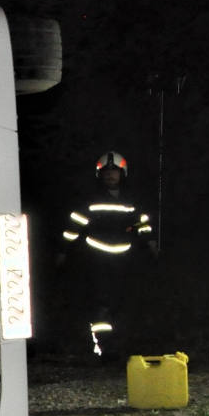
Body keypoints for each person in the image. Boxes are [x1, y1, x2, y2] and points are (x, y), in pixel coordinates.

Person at [57, 151, 158, 361]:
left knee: (123, 303)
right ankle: (105, 349)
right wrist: (63, 251)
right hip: (97, 262)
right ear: (100, 175)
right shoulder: (90, 201)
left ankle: (124, 347)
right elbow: (74, 227)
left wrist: (151, 243)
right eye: (107, 172)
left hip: (124, 262)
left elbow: (143, 224)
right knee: (100, 306)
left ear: (123, 174)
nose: (110, 175)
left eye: (114, 171)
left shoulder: (131, 201)